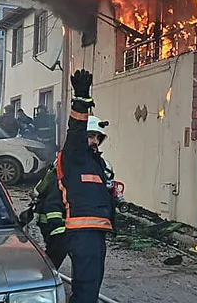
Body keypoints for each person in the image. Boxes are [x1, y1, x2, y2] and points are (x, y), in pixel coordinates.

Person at [58, 70, 115, 303]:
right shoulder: (74, 156)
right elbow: (75, 133)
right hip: (82, 232)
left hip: (96, 232)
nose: (94, 141)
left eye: (97, 137)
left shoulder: (97, 163)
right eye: (90, 136)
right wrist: (81, 100)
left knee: (89, 288)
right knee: (85, 291)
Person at [32, 160, 68, 269]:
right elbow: (52, 206)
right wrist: (58, 226)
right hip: (52, 223)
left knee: (55, 252)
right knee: (56, 252)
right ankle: (46, 275)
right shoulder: (60, 181)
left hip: (56, 223)